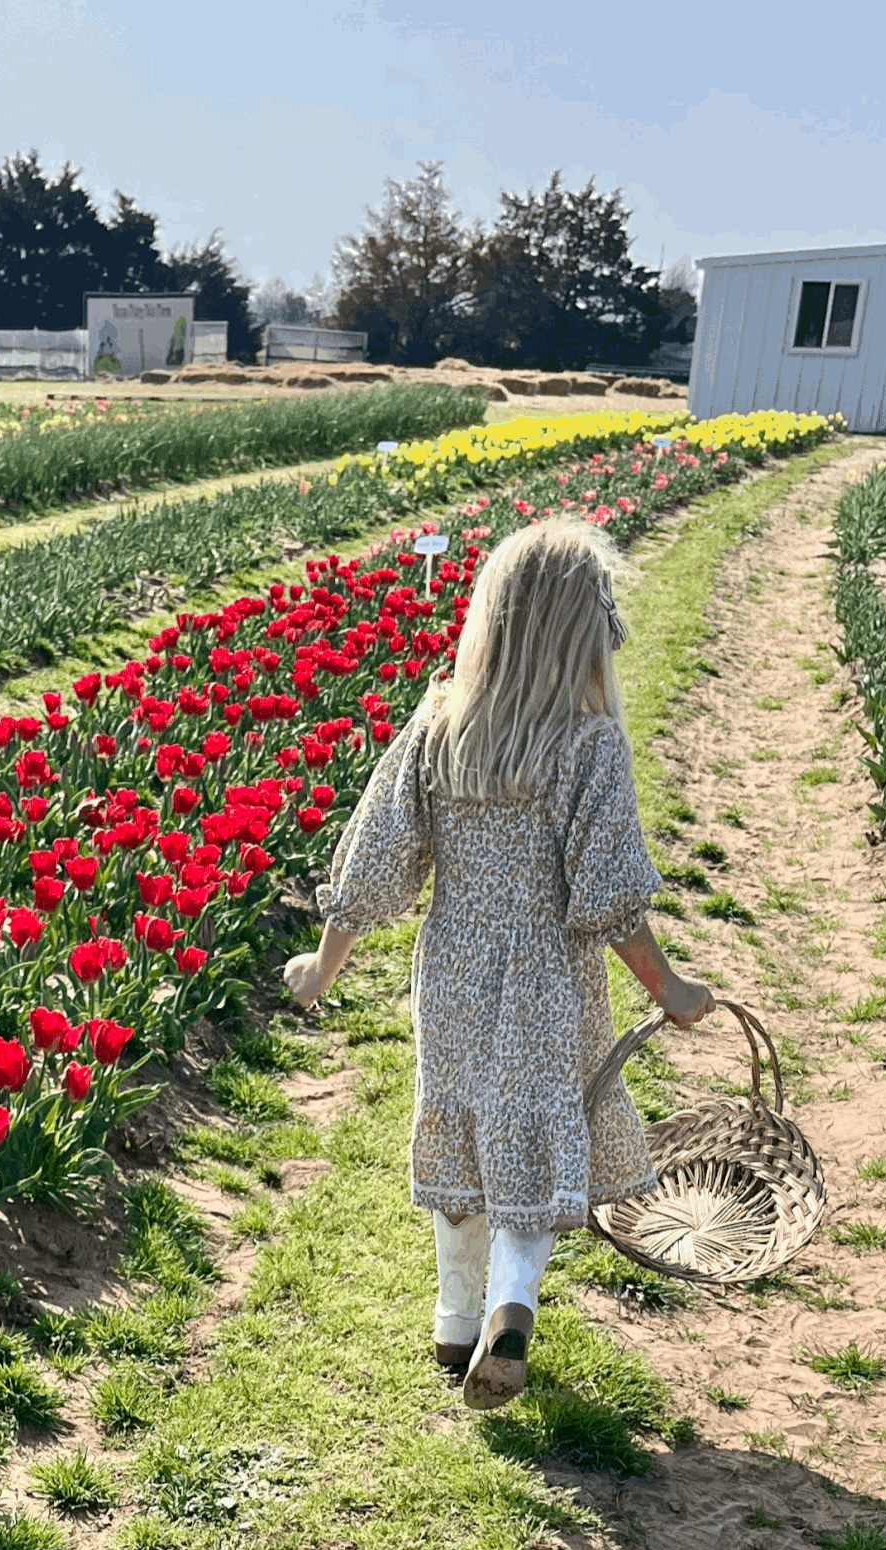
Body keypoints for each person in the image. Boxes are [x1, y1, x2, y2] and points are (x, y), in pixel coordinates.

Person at [282, 515, 712, 1410]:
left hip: (453, 976)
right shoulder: (589, 745)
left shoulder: (443, 724)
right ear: (579, 633)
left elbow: (375, 859)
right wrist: (666, 986)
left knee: (461, 1123)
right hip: (552, 981)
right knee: (533, 1130)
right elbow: (610, 896)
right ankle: (513, 1304)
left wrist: (322, 968)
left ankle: (452, 1320)